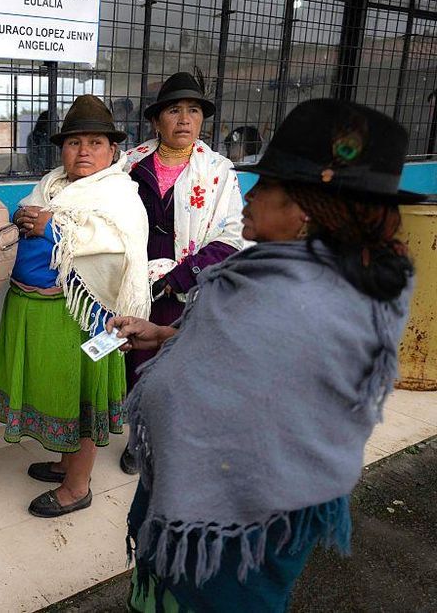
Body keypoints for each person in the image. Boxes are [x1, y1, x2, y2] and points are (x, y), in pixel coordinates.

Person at [109, 99, 422, 612]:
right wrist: (166, 335)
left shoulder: (314, 303)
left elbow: (258, 400)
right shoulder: (270, 277)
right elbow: (233, 360)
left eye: (267, 186)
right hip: (191, 510)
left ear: (306, 208)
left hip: (230, 534)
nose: (249, 197)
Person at [0, 95, 150, 518]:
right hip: (39, 311)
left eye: (95, 143)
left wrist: (53, 227)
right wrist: (28, 220)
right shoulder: (53, 184)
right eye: (75, 143)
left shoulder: (119, 194)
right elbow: (28, 217)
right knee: (60, 392)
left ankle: (78, 487)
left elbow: (118, 249)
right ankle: (65, 464)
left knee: (81, 398)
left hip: (83, 318)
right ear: (61, 148)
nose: (83, 152)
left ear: (113, 150)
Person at [120, 72, 248, 474]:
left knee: (182, 367)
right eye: (174, 110)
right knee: (136, 365)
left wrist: (180, 276)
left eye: (193, 110)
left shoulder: (218, 170)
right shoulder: (129, 164)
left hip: (188, 289)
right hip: (137, 287)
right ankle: (138, 440)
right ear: (157, 120)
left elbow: (234, 234)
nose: (184, 119)